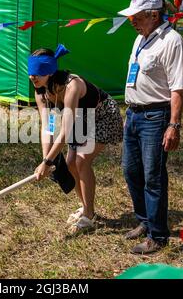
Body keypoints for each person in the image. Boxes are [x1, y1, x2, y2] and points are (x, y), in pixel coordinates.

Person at [118, 0, 183, 254]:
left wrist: (174, 125)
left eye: (136, 17)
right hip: (134, 115)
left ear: (154, 15)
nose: (131, 21)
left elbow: (177, 89)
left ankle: (158, 236)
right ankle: (145, 221)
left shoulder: (173, 42)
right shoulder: (140, 38)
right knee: (130, 171)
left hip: (155, 117)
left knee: (153, 177)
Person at [30, 45, 123, 235]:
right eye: (31, 73)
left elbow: (64, 129)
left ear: (50, 70)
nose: (33, 77)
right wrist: (46, 159)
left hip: (102, 116)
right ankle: (85, 207)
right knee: (70, 163)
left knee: (81, 160)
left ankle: (89, 215)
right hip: (81, 120)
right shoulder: (40, 92)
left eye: (38, 73)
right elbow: (48, 127)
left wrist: (47, 162)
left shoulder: (72, 85)